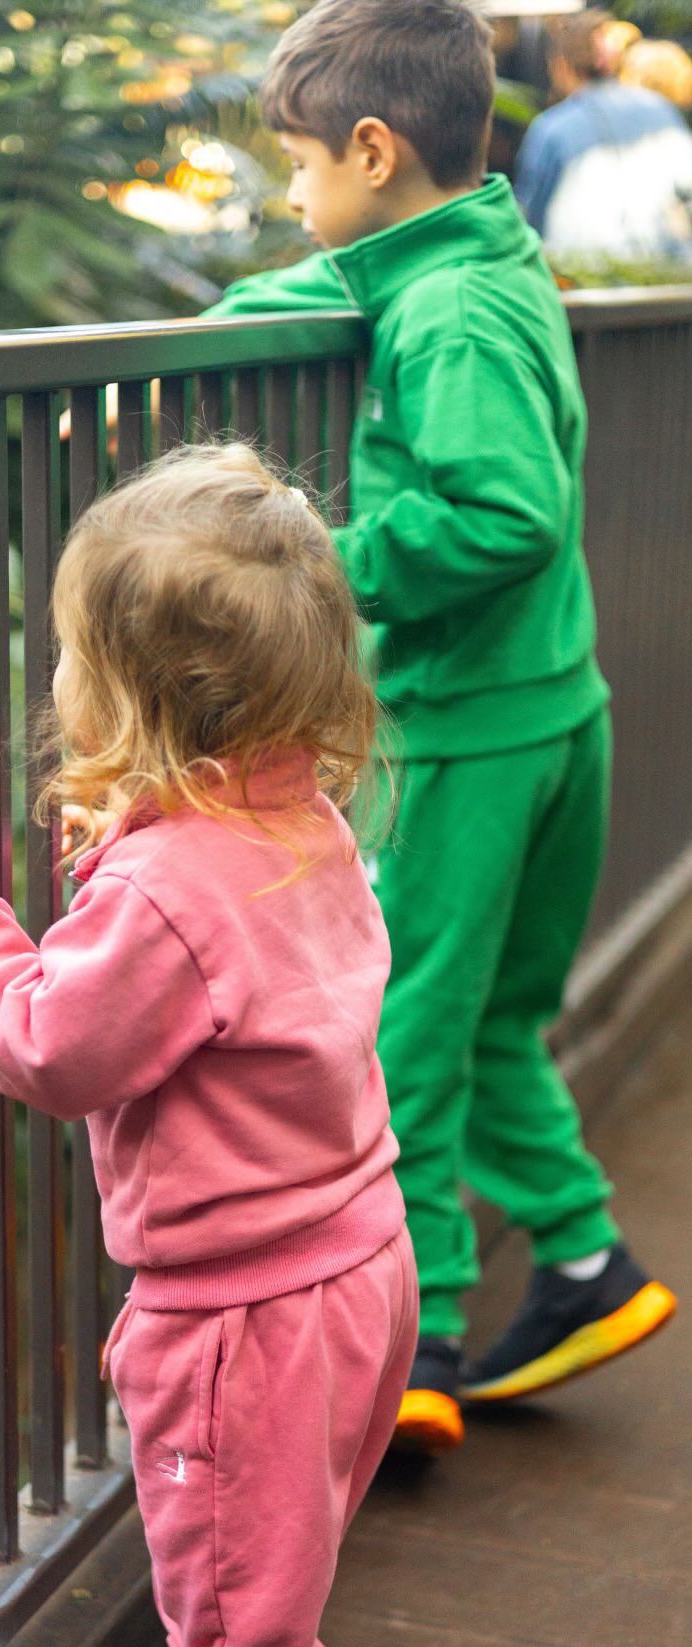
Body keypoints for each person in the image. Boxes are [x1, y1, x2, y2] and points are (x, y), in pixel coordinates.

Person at [0, 443, 418, 1647]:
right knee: (274, 1535)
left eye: (67, 654)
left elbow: (54, 1044)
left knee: (228, 1547)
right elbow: (203, 975)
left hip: (240, 1310)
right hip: (357, 1255)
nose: (54, 677)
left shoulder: (162, 887)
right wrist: (125, 857)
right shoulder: (292, 821)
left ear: (130, 698)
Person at [201, 0, 677, 1454]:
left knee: (401, 1038)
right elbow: (358, 286)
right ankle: (587, 1262)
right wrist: (221, 323)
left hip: (471, 732)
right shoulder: (474, 255)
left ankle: (419, 1347)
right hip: (553, 710)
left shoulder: (450, 311)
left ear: (371, 145)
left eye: (298, 166)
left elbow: (506, 514)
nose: (290, 196)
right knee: (502, 1021)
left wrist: (312, 565)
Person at [515, 9, 692, 262]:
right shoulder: (661, 110)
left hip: (582, 278)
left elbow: (528, 218)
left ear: (560, 65)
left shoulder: (550, 127)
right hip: (667, 275)